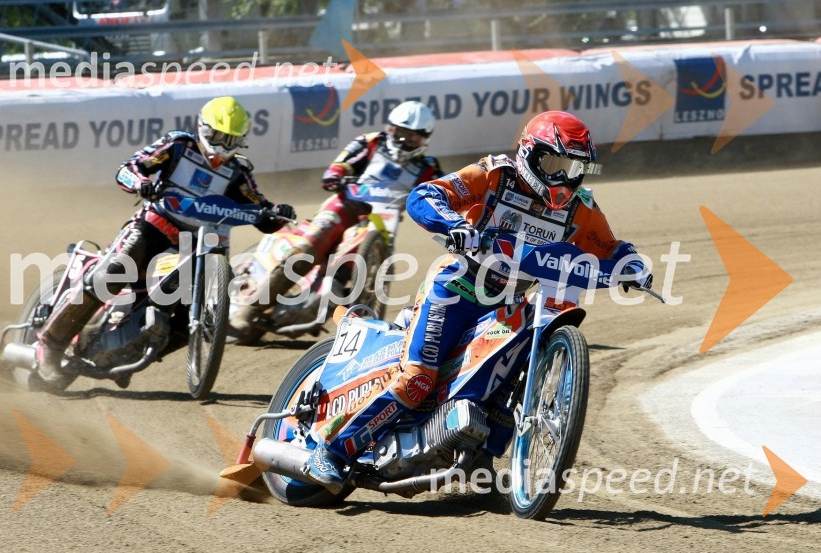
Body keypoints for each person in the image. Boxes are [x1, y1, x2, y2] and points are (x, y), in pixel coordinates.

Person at [303, 110, 654, 493]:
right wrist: (455, 225)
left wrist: (633, 264)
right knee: (418, 380)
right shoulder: (495, 174)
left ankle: (477, 464)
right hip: (456, 289)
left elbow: (610, 247)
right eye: (555, 164)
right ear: (529, 153)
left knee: (507, 385)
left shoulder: (581, 208)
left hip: (509, 304)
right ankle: (332, 451)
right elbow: (426, 195)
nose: (562, 178)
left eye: (573, 169)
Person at [35, 96, 296, 384]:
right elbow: (128, 169)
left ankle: (127, 353)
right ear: (203, 129)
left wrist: (278, 213)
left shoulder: (238, 171)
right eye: (218, 137)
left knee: (194, 316)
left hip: (197, 245)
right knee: (113, 272)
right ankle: (51, 345)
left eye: (231, 140)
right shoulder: (178, 145)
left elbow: (259, 208)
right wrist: (142, 183)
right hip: (154, 225)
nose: (223, 146)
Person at [228, 100, 444, 336]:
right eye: (401, 133)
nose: (405, 141)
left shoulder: (428, 168)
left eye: (413, 137)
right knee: (310, 247)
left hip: (381, 224)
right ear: (391, 128)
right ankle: (248, 310)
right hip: (344, 206)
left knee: (343, 272)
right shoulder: (369, 142)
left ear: (425, 139)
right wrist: (337, 176)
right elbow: (338, 166)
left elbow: (444, 193)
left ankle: (331, 307)